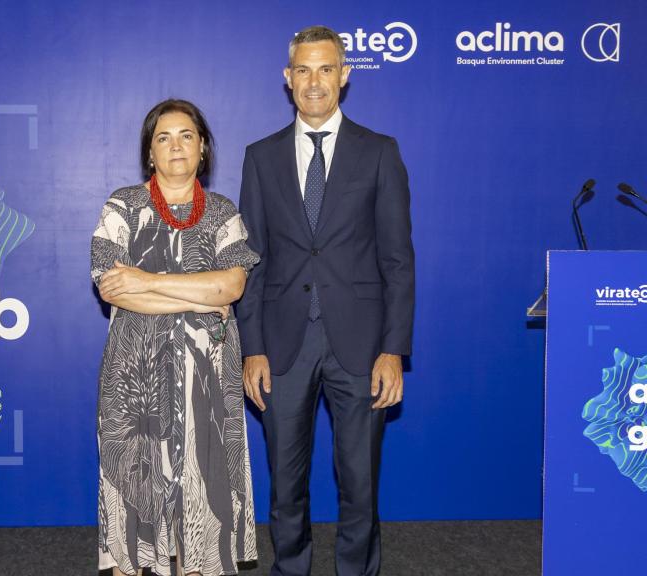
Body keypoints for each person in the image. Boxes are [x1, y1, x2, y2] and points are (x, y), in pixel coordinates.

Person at [237, 26, 415, 576]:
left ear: (345, 74)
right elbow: (252, 261)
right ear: (288, 80)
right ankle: (290, 569)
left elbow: (398, 261)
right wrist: (253, 348)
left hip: (361, 347)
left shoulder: (380, 152)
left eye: (326, 69)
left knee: (359, 482)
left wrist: (393, 350)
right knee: (285, 485)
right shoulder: (260, 158)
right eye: (304, 71)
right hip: (283, 345)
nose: (315, 82)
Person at [92, 99, 260, 576]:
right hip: (135, 378)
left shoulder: (223, 211)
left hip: (208, 378)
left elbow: (232, 286)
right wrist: (200, 296)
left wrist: (144, 280)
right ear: (150, 153)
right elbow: (110, 287)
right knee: (137, 494)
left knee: (203, 497)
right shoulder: (122, 206)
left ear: (202, 147)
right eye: (163, 138)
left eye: (186, 135)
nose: (175, 146)